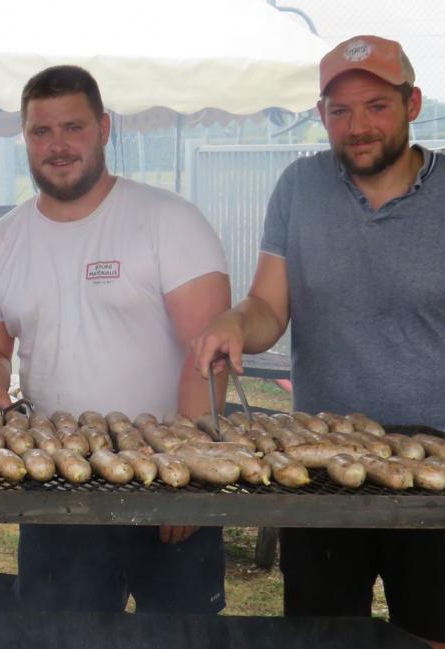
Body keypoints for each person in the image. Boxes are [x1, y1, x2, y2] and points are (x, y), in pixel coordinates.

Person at [192, 36, 445, 646]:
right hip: (318, 459)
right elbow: (268, 307)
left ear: (412, 103)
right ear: (321, 114)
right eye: (339, 111)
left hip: (437, 459)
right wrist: (233, 322)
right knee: (323, 634)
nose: (357, 127)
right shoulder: (299, 186)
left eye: (376, 107)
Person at [0, 65, 230, 614]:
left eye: (73, 128)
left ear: (104, 128)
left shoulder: (169, 221)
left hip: (164, 476)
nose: (57, 146)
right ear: (25, 138)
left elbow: (207, 358)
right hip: (55, 482)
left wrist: (186, 477)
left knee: (180, 637)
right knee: (60, 636)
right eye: (41, 132)